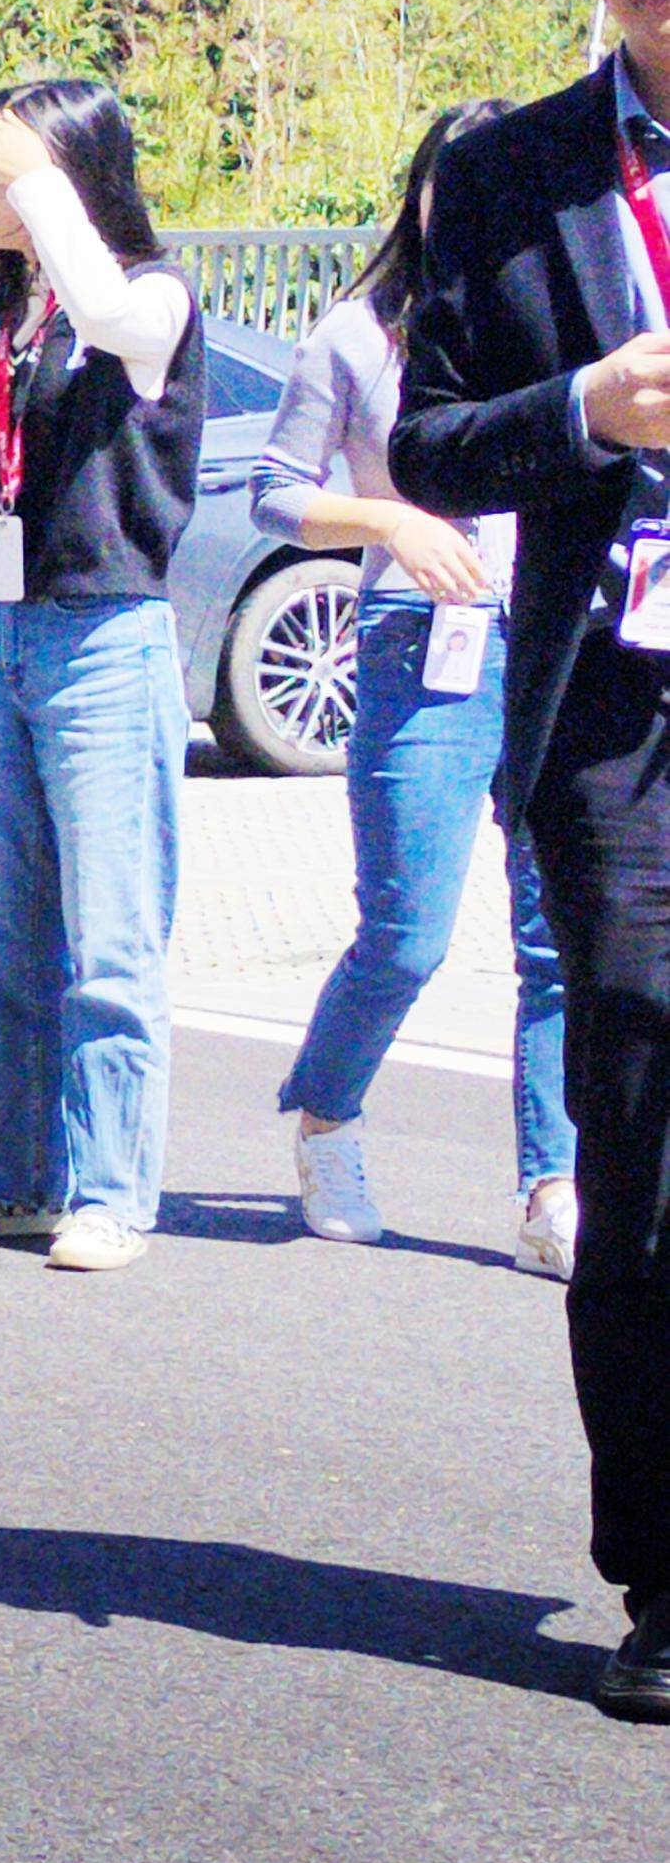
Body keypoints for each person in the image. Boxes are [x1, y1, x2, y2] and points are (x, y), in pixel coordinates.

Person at [387, 0, 670, 1728]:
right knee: (643, 1141)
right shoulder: (508, 175)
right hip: (623, 723)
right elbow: (421, 436)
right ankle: (660, 1565)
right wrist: (584, 410)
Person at [0, 78, 200, 1275]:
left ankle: (114, 1190)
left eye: (5, 176)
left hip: (106, 643)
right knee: (2, 936)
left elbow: (117, 316)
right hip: (0, 633)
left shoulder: (149, 298)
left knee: (111, 941)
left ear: (68, 175)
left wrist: (36, 185)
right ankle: (16, 1177)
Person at [268, 101, 575, 1275]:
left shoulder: (553, 322)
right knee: (407, 932)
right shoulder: (356, 334)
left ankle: (551, 1182)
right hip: (417, 636)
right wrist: (392, 515)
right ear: (425, 196)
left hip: (552, 634)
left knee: (557, 934)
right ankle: (327, 1120)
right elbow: (278, 491)